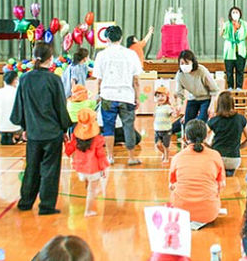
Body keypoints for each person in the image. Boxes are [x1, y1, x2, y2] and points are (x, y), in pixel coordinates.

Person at [11, 43, 72, 215]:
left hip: (34, 133)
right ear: (50, 58)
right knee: (50, 170)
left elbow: (20, 106)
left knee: (32, 168)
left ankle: (25, 202)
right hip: (52, 133)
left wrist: (24, 127)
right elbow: (60, 106)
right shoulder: (54, 79)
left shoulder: (25, 78)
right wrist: (64, 129)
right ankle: (46, 206)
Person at [93, 25, 143, 166]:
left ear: (106, 38)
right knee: (128, 126)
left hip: (108, 96)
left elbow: (99, 80)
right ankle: (132, 157)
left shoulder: (101, 55)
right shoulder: (130, 54)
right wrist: (137, 97)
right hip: (126, 95)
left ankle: (110, 157)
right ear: (121, 38)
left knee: (108, 127)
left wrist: (98, 94)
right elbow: (136, 80)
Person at [169, 120, 225, 224]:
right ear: (205, 137)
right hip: (210, 213)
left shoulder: (177, 157)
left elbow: (171, 185)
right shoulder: (215, 155)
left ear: (185, 137)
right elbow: (222, 185)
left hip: (180, 212)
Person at [65, 109, 109, 217]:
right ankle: (88, 211)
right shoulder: (97, 139)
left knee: (88, 183)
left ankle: (87, 183)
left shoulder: (76, 137)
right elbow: (100, 156)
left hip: (81, 169)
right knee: (91, 191)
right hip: (93, 169)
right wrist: (103, 169)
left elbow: (69, 150)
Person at [207, 91, 247, 176]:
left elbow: (201, 136)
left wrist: (210, 148)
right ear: (233, 103)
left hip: (217, 157)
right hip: (234, 159)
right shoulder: (240, 119)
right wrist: (238, 147)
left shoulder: (214, 120)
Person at [174, 50, 218, 124]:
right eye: (182, 63)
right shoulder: (180, 74)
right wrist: (178, 105)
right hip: (193, 98)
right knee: (187, 122)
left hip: (205, 99)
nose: (184, 65)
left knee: (201, 122)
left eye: (187, 63)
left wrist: (212, 106)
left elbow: (214, 90)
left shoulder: (201, 70)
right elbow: (179, 93)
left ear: (192, 62)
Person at [0, 71, 23, 145]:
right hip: (16, 127)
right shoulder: (18, 93)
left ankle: (7, 135)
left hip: (0, 127)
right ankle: (16, 136)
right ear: (15, 80)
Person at [219, 6, 247, 89]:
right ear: (230, 14)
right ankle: (230, 86)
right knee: (229, 70)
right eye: (233, 12)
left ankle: (239, 86)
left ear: (240, 14)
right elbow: (221, 34)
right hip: (229, 49)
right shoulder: (227, 24)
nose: (235, 14)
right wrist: (222, 26)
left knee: (240, 70)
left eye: (237, 12)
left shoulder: (244, 24)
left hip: (241, 49)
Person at [154, 86, 174, 163]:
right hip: (157, 129)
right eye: (158, 96)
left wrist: (175, 112)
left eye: (162, 96)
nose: (160, 98)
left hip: (166, 130)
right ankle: (164, 153)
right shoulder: (157, 107)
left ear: (167, 97)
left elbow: (173, 114)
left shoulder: (168, 107)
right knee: (158, 145)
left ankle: (166, 157)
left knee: (166, 145)